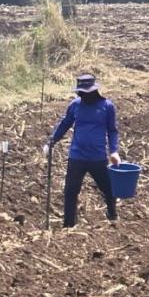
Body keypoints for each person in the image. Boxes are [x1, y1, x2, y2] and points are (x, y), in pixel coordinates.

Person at [43, 73, 121, 228]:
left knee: (107, 188)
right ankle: (69, 225)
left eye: (85, 92)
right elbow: (65, 124)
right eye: (80, 92)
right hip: (77, 155)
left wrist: (114, 151)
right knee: (70, 191)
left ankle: (112, 215)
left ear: (93, 91)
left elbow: (112, 130)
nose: (81, 95)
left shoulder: (107, 106)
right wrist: (51, 141)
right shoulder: (75, 105)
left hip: (97, 157)